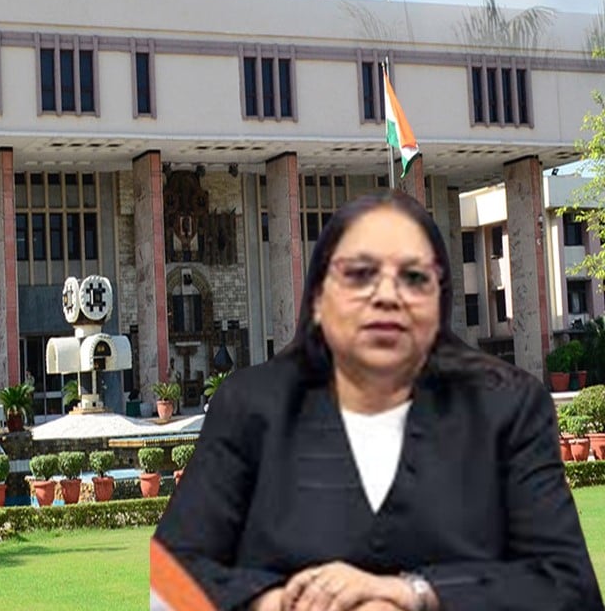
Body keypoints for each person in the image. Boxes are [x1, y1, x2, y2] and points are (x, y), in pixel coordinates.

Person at [151, 190, 603, 611]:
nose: (387, 296)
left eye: (414, 277)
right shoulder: (252, 407)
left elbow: (569, 588)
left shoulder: (506, 409)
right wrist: (285, 603)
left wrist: (411, 594)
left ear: (439, 300)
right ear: (318, 298)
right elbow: (172, 572)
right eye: (359, 274)